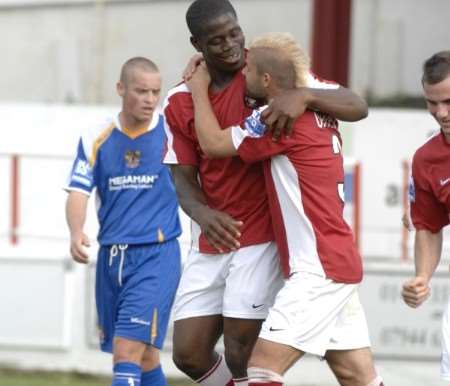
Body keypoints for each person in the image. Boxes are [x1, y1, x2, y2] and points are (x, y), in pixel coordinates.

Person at [163, 1, 369, 385]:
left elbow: (355, 103)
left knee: (249, 358)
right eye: (216, 40)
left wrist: (304, 96)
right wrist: (204, 214)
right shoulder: (179, 99)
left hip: (266, 238)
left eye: (234, 33)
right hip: (215, 238)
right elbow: (182, 176)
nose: (230, 46)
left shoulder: (270, 83)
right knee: (189, 354)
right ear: (198, 44)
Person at [65, 57, 181, 386]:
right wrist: (76, 231)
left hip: (156, 256)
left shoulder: (171, 133)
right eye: (141, 91)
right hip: (112, 258)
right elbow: (78, 189)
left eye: (155, 92)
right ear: (120, 89)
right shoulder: (97, 136)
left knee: (126, 351)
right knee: (145, 358)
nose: (149, 99)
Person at [402, 51, 450, 381]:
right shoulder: (426, 160)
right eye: (433, 103)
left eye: (449, 101)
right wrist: (422, 277)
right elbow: (429, 227)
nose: (441, 113)